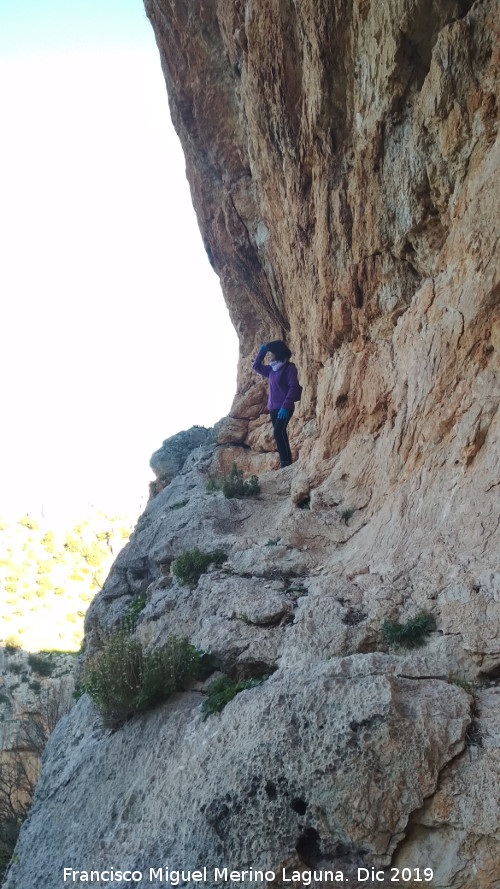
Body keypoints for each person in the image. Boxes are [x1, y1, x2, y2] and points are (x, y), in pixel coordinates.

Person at [252, 340, 301, 468]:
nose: (269, 355)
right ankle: (285, 461)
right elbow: (256, 366)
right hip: (273, 408)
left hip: (285, 408)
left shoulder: (289, 368)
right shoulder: (271, 369)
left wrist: (285, 406)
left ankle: (285, 463)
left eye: (271, 352)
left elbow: (293, 387)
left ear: (277, 353)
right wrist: (262, 351)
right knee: (281, 433)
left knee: (278, 433)